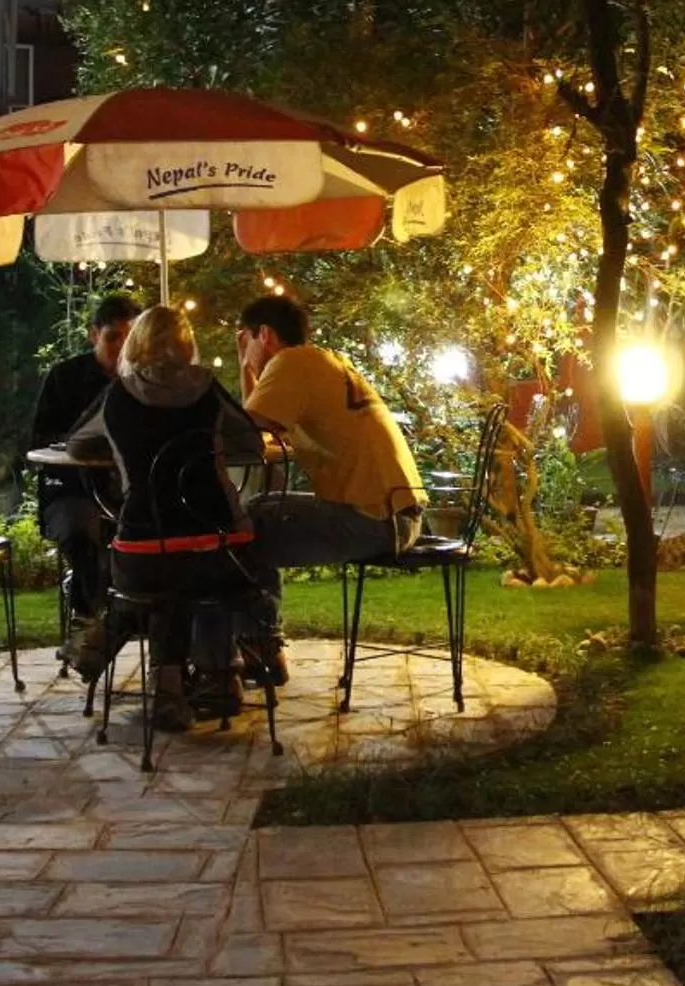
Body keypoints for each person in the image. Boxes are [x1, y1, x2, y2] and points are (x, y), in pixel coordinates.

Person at [62, 304, 269, 729]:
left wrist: (120, 449)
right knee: (182, 570)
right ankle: (175, 685)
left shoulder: (118, 394)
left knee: (155, 576)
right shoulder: (207, 389)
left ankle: (116, 651)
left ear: (136, 342)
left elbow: (76, 445)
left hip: (144, 547)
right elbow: (251, 443)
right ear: (186, 343)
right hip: (220, 550)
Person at [236, 295, 425, 580]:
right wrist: (246, 367)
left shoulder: (291, 361)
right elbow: (260, 429)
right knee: (261, 507)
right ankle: (261, 621)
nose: (245, 350)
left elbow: (245, 430)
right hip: (399, 515)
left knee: (244, 525)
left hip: (373, 521)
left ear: (264, 335)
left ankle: (262, 623)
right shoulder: (323, 361)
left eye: (246, 340)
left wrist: (245, 367)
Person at [29, 292, 140, 631]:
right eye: (113, 337)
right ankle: (97, 619)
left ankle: (126, 624)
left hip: (126, 491)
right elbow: (38, 441)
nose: (121, 347)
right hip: (71, 489)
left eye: (129, 338)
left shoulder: (144, 381)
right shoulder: (64, 378)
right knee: (82, 529)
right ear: (94, 335)